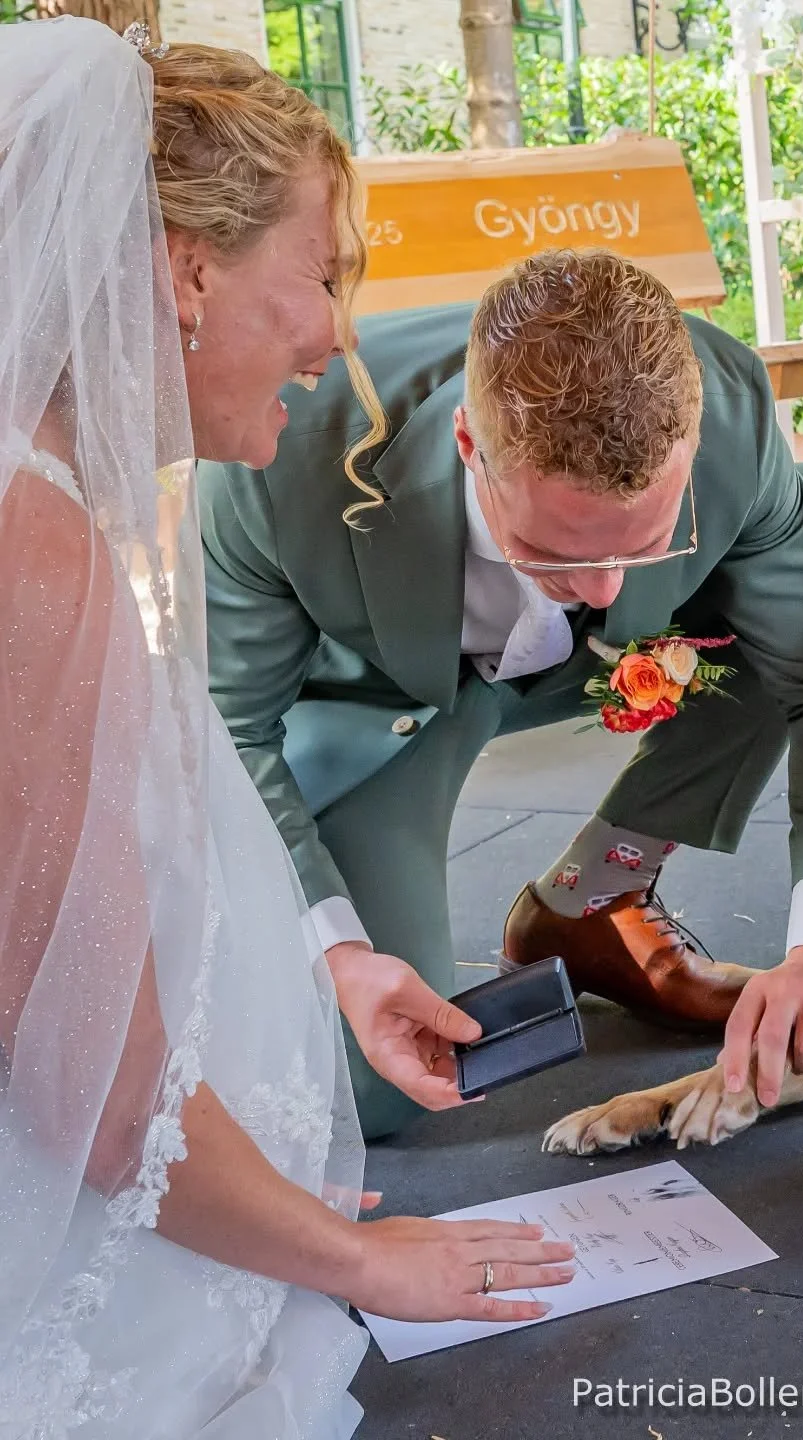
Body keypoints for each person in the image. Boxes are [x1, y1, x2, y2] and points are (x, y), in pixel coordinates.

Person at [0, 21, 573, 1436]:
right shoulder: (35, 551)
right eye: (320, 275)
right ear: (188, 275)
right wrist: (362, 1258)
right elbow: (89, 1078)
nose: (337, 335)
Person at [201, 247, 803, 1142]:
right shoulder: (284, 450)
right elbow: (233, 729)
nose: (605, 592)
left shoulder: (723, 405)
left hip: (607, 663)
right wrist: (340, 953)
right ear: (471, 446)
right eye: (557, 552)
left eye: (644, 543)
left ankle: (590, 897)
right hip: (391, 703)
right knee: (383, 1084)